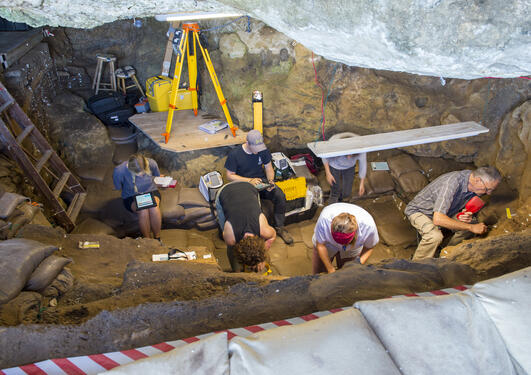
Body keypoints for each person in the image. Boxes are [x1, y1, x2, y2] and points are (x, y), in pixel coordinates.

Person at [405, 166, 501, 260]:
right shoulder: (451, 183)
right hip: (420, 211)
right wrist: (471, 227)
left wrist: (466, 213)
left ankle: (446, 254)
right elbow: (438, 219)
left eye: (492, 190)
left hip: (443, 212)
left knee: (471, 223)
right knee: (434, 236)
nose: (488, 193)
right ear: (477, 180)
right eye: (488, 189)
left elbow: (455, 206)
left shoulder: (474, 184)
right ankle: (417, 266)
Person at [224, 130, 293, 244]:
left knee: (280, 195)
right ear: (248, 143)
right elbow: (229, 176)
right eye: (255, 148)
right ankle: (255, 235)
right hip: (245, 185)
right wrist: (249, 181)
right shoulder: (235, 154)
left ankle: (280, 227)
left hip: (262, 182)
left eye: (260, 148)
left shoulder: (263, 150)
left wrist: (271, 181)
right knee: (254, 208)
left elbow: (268, 168)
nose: (258, 151)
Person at [215, 181, 276, 272]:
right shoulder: (230, 238)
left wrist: (262, 257)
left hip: (249, 187)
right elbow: (232, 246)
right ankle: (236, 270)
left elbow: (273, 236)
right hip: (226, 191)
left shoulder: (264, 230)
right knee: (230, 246)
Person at [312, 203, 379, 274]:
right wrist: (330, 269)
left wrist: (357, 264)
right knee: (319, 271)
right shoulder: (325, 220)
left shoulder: (368, 227)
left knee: (347, 270)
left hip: (353, 247)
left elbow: (369, 248)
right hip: (328, 244)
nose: (342, 245)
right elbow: (320, 245)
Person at [113, 153, 162, 242]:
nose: (140, 175)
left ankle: (157, 238)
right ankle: (147, 240)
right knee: (143, 210)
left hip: (151, 191)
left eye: (143, 172)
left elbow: (158, 177)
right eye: (137, 173)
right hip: (131, 195)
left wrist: (162, 181)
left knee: (154, 207)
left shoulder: (152, 163)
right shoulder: (119, 170)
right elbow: (117, 187)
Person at [322, 132, 367, 203]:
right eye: (347, 154)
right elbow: (324, 156)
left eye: (352, 155)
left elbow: (363, 165)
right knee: (335, 189)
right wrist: (328, 173)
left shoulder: (361, 147)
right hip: (335, 164)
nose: (349, 157)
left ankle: (341, 201)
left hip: (350, 167)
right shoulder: (333, 143)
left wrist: (362, 184)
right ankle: (333, 203)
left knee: (347, 192)